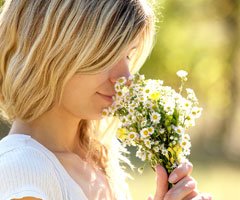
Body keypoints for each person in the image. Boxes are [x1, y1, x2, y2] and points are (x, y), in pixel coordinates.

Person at [0, 0, 212, 200]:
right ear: (49, 48)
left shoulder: (97, 161)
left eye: (128, 55)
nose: (125, 78)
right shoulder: (23, 169)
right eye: (107, 55)